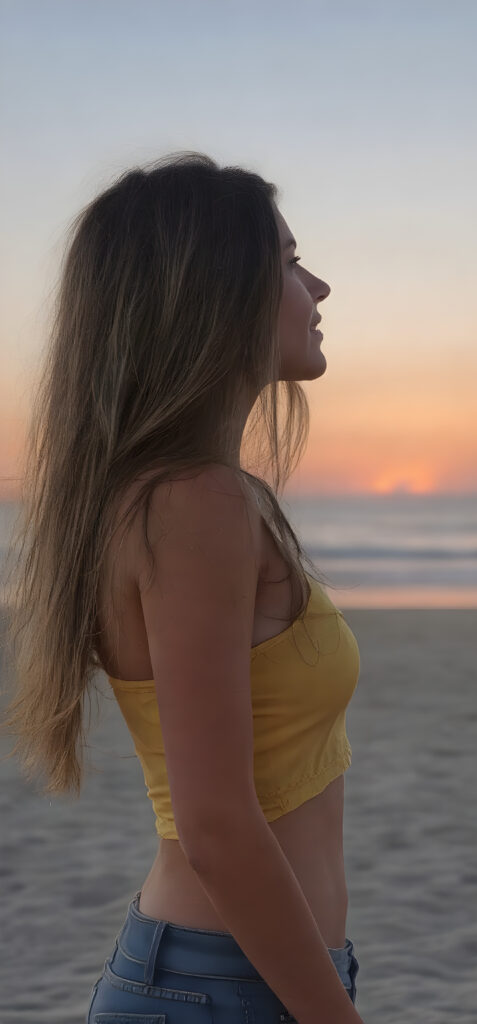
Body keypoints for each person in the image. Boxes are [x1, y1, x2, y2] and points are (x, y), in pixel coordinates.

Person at [1, 152, 364, 1023]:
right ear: (214, 290)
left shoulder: (193, 498)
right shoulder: (193, 504)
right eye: (289, 262)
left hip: (247, 977)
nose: (318, 286)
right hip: (224, 988)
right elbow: (216, 828)